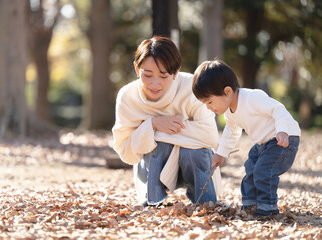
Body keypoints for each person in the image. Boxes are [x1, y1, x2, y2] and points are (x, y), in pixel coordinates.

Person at [112, 36, 223, 207]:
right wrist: (153, 124)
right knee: (159, 146)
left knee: (192, 152)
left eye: (163, 76)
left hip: (194, 161)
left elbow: (210, 137)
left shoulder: (193, 87)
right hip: (153, 162)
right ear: (136, 68)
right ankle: (153, 201)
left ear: (176, 73)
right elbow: (125, 150)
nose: (154, 83)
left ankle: (205, 204)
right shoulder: (128, 96)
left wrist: (154, 132)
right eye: (147, 75)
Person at [192, 59, 301, 217]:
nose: (209, 107)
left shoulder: (252, 98)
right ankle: (250, 204)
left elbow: (278, 109)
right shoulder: (230, 112)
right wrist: (221, 153)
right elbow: (232, 132)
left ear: (227, 92)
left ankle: (267, 209)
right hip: (264, 143)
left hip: (284, 139)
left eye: (209, 102)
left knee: (264, 170)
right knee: (250, 167)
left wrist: (282, 130)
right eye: (205, 104)